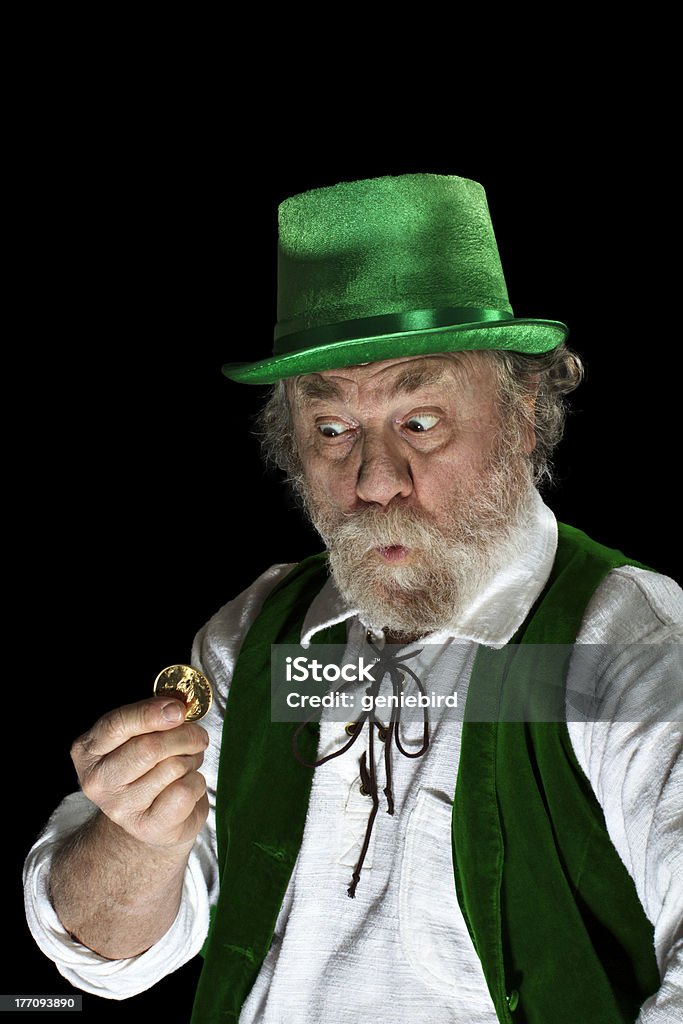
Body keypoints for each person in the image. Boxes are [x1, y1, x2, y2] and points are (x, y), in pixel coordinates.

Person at [23, 173, 682, 1023]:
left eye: (420, 421)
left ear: (522, 417)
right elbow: (103, 958)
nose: (374, 481)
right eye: (332, 429)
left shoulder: (624, 648)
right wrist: (136, 837)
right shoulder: (253, 641)